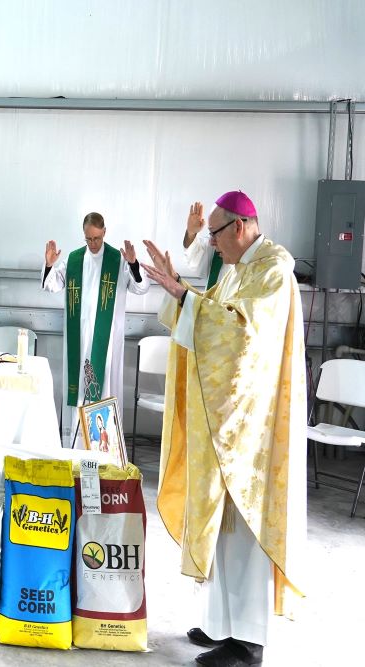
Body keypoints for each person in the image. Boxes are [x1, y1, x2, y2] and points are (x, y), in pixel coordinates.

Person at [141, 191, 306, 667]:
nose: (210, 244)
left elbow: (241, 334)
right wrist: (178, 290)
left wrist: (183, 296)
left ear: (238, 227)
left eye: (213, 234)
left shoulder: (273, 269)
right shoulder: (240, 270)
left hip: (255, 430)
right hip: (229, 420)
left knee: (246, 531)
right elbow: (208, 310)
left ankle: (249, 642)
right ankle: (222, 625)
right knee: (223, 525)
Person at [41, 212, 149, 442]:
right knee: (78, 388)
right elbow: (52, 285)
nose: (93, 244)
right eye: (88, 239)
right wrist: (50, 265)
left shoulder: (117, 260)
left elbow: (140, 288)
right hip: (78, 340)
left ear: (104, 233)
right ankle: (76, 444)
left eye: (97, 238)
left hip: (105, 341)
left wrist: (133, 263)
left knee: (103, 387)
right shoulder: (75, 259)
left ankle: (103, 445)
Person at [182, 201, 229, 289]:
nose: (212, 241)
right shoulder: (215, 246)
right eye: (211, 233)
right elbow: (194, 258)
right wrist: (191, 233)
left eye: (217, 232)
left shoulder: (256, 264)